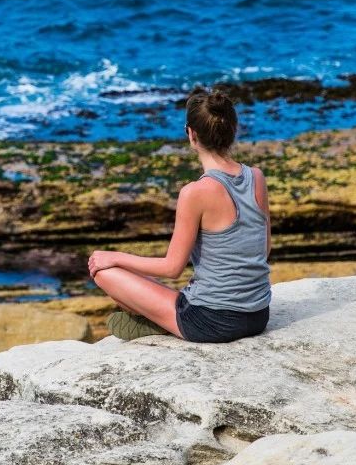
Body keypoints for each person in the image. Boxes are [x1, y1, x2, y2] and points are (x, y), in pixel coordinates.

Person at [87, 86, 272, 342]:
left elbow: (172, 267)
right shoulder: (257, 177)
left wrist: (114, 257)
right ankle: (162, 319)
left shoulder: (195, 192)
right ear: (233, 130)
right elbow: (264, 250)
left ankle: (158, 322)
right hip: (258, 315)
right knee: (177, 292)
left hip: (211, 322)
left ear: (191, 134)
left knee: (102, 270)